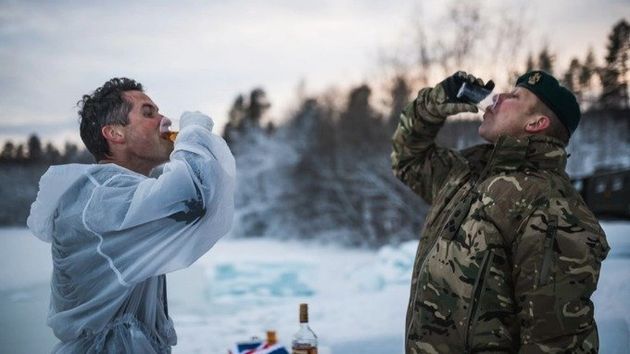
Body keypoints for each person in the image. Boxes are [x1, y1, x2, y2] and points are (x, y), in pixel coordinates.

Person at [391, 71, 610, 353]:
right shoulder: (468, 171)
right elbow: (408, 159)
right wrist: (435, 103)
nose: (498, 97)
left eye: (515, 97)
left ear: (536, 123)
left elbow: (555, 344)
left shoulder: (553, 208)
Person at [27, 78, 235, 353]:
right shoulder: (101, 197)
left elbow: (194, 203)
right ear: (114, 133)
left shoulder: (120, 195)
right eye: (148, 113)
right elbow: (195, 194)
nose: (164, 120)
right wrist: (194, 131)